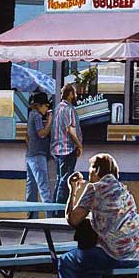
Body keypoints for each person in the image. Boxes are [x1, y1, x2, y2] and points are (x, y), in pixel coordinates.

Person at [56, 153, 139, 278]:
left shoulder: (94, 189)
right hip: (135, 254)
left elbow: (73, 219)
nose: (88, 172)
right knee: (88, 264)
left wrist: (72, 189)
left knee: (66, 261)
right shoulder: (124, 190)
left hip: (113, 254)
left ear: (96, 170)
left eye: (90, 168)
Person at [51, 84, 83, 216]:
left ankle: (54, 210)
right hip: (67, 149)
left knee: (59, 179)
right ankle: (60, 212)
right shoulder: (69, 109)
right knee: (65, 180)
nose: (76, 96)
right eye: (74, 93)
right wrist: (79, 145)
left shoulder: (57, 108)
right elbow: (70, 130)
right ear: (70, 94)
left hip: (56, 149)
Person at [25, 92, 53, 218]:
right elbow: (42, 133)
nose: (47, 109)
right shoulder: (36, 116)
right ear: (39, 105)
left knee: (31, 187)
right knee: (44, 187)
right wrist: (49, 122)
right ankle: (50, 217)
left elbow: (27, 136)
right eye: (46, 106)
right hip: (38, 154)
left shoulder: (31, 115)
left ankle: (31, 216)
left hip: (30, 153)